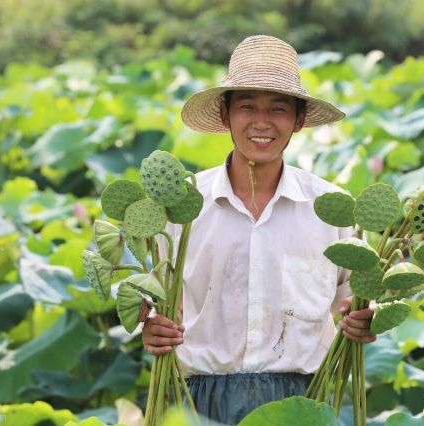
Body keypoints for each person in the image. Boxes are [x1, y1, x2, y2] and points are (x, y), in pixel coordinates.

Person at [142, 35, 376, 424]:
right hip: (198, 397)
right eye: (247, 106)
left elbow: (358, 299)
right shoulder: (182, 207)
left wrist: (366, 318)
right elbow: (147, 295)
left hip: (304, 400)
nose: (262, 123)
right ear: (225, 115)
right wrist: (149, 326)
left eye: (279, 109)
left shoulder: (332, 209)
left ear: (299, 119)